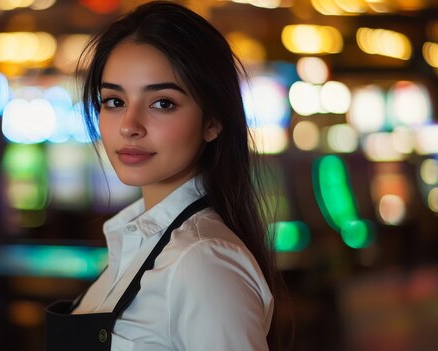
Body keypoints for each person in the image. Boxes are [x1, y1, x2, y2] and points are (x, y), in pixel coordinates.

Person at [45, 1, 284, 350]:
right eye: (114, 101)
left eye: (162, 103)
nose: (129, 126)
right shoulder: (137, 241)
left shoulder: (202, 261)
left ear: (213, 121)